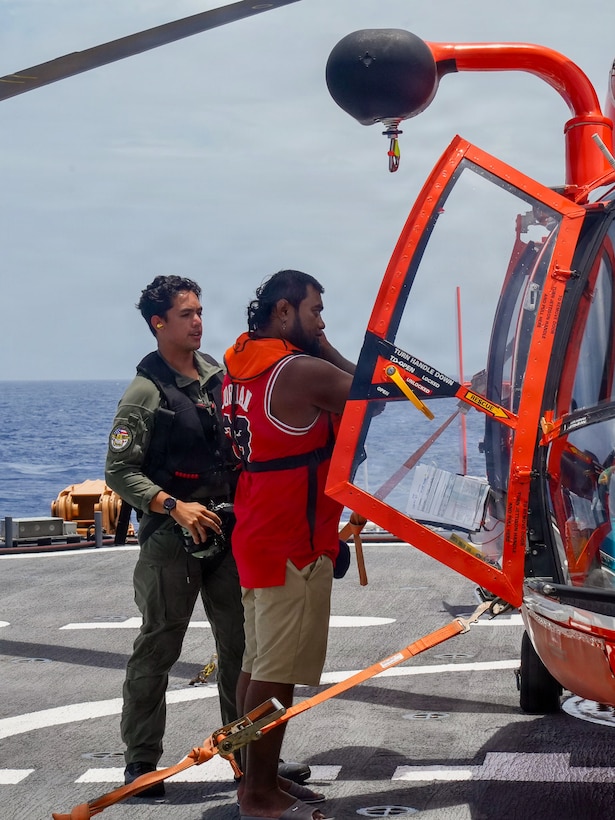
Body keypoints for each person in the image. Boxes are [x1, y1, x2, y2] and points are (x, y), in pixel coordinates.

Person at [104, 275, 246, 797]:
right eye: (186, 314)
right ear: (158, 324)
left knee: (243, 649)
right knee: (158, 647)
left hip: (227, 534)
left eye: (200, 312)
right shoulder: (145, 393)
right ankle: (141, 763)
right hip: (170, 541)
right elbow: (119, 470)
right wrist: (173, 506)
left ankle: (248, 756)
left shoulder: (217, 377)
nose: (198, 322)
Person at [222, 269, 355, 820]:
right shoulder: (297, 371)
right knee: (275, 675)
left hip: (257, 532)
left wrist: (314, 336)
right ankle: (258, 795)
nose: (321, 322)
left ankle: (258, 777)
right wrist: (321, 344)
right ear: (284, 311)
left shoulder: (239, 363)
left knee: (256, 667)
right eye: (314, 310)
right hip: (291, 543)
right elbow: (373, 393)